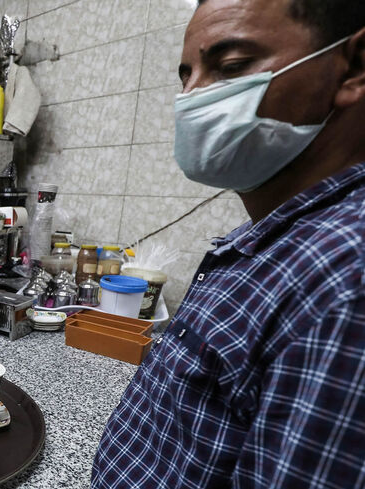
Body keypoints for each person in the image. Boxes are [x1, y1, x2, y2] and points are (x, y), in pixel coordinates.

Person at [93, 0, 365, 487]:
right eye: (186, 75)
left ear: (354, 67)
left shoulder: (346, 279)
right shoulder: (271, 240)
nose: (191, 99)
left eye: (232, 67)